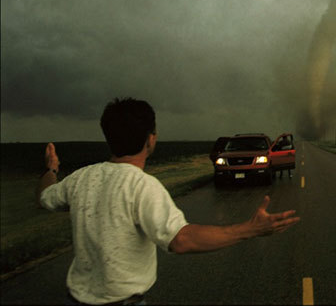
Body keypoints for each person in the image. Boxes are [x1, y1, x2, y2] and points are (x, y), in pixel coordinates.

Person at [37, 97, 300, 305]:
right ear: (151, 139)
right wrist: (249, 229)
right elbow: (181, 240)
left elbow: (46, 197)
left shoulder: (82, 178)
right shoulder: (142, 186)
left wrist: (51, 169)